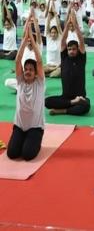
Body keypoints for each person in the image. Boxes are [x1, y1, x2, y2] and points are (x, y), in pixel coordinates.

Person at [7, 20, 45, 161]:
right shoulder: (21, 81)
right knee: (12, 154)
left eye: (31, 70)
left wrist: (33, 41)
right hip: (19, 126)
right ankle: (23, 139)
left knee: (28, 155)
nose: (27, 71)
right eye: (26, 69)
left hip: (35, 127)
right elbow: (18, 61)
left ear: (36, 73)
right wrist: (25, 39)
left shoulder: (40, 83)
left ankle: (37, 141)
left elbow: (40, 62)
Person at [45, 10, 90, 115]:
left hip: (80, 97)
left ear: (78, 50)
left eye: (74, 49)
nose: (71, 51)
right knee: (47, 102)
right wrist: (66, 26)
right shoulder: (64, 57)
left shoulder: (81, 59)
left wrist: (75, 25)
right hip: (66, 97)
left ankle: (63, 110)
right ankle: (71, 103)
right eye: (69, 49)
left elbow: (81, 40)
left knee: (86, 106)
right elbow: (63, 39)